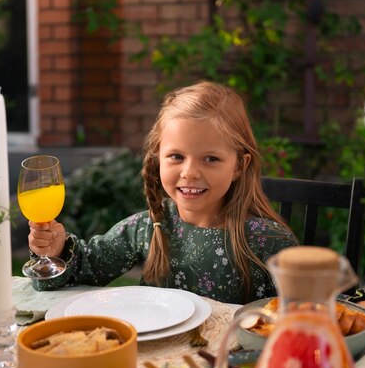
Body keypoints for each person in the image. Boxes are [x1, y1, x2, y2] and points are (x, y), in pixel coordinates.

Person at [27, 81, 298, 304]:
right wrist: (56, 251)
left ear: (239, 165)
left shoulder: (269, 243)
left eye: (211, 159)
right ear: (158, 158)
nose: (189, 172)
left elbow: (302, 319)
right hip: (154, 364)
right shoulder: (146, 228)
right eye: (177, 156)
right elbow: (84, 272)